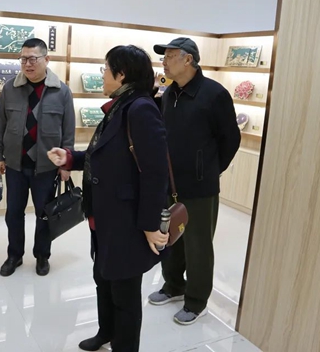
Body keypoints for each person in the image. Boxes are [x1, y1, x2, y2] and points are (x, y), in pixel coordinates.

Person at [47, 45, 170, 352]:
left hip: (126, 220)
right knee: (103, 277)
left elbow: (155, 174)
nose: (102, 75)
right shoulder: (120, 106)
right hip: (104, 215)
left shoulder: (140, 109)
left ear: (121, 74)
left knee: (124, 292)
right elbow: (104, 156)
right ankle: (107, 332)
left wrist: (149, 224)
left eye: (106, 69)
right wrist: (70, 158)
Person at [148, 37, 241, 325]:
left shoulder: (214, 94)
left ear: (188, 59)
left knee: (198, 245)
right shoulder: (168, 93)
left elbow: (230, 139)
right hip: (169, 182)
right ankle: (173, 285)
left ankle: (196, 300)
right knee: (169, 237)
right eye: (164, 56)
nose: (164, 61)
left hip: (200, 187)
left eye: (169, 56)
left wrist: (209, 169)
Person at [0, 38, 75, 277]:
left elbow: (68, 131)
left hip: (46, 167)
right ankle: (14, 255)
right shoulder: (10, 88)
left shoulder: (62, 91)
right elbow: (0, 125)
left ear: (46, 59)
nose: (27, 64)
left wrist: (66, 163)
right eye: (23, 59)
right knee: (13, 214)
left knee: (44, 214)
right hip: (15, 165)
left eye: (33, 59)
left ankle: (42, 256)